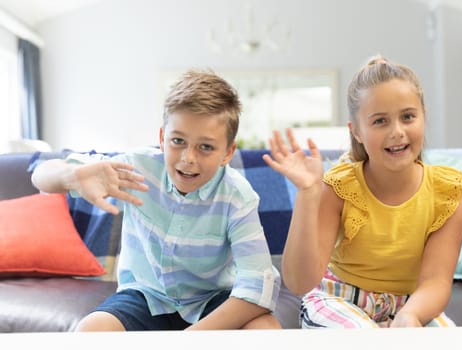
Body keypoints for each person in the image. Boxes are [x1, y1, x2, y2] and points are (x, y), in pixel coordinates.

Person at [31, 70, 281, 331]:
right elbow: (41, 176)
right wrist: (71, 176)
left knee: (265, 327)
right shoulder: (135, 167)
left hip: (213, 300)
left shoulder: (237, 196)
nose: (188, 158)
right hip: (145, 296)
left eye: (205, 147)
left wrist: (189, 338)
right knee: (91, 329)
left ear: (228, 152)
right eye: (178, 141)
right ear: (162, 138)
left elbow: (257, 287)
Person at [262, 55, 462, 328]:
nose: (397, 132)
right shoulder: (340, 186)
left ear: (423, 117)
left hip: (412, 304)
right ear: (357, 131)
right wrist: (308, 193)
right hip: (340, 299)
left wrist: (410, 316)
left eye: (407, 116)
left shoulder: (448, 192)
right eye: (380, 121)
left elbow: (435, 282)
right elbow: (299, 282)